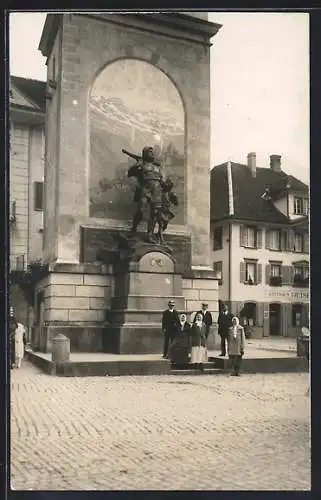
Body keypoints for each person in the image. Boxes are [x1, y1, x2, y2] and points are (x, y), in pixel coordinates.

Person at [127, 146, 164, 242]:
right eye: (149, 152)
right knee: (141, 210)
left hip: (157, 191)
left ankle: (150, 235)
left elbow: (161, 179)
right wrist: (137, 165)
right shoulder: (141, 164)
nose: (152, 153)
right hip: (145, 189)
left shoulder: (157, 166)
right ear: (145, 154)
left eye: (152, 152)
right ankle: (134, 229)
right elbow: (130, 173)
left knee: (154, 213)